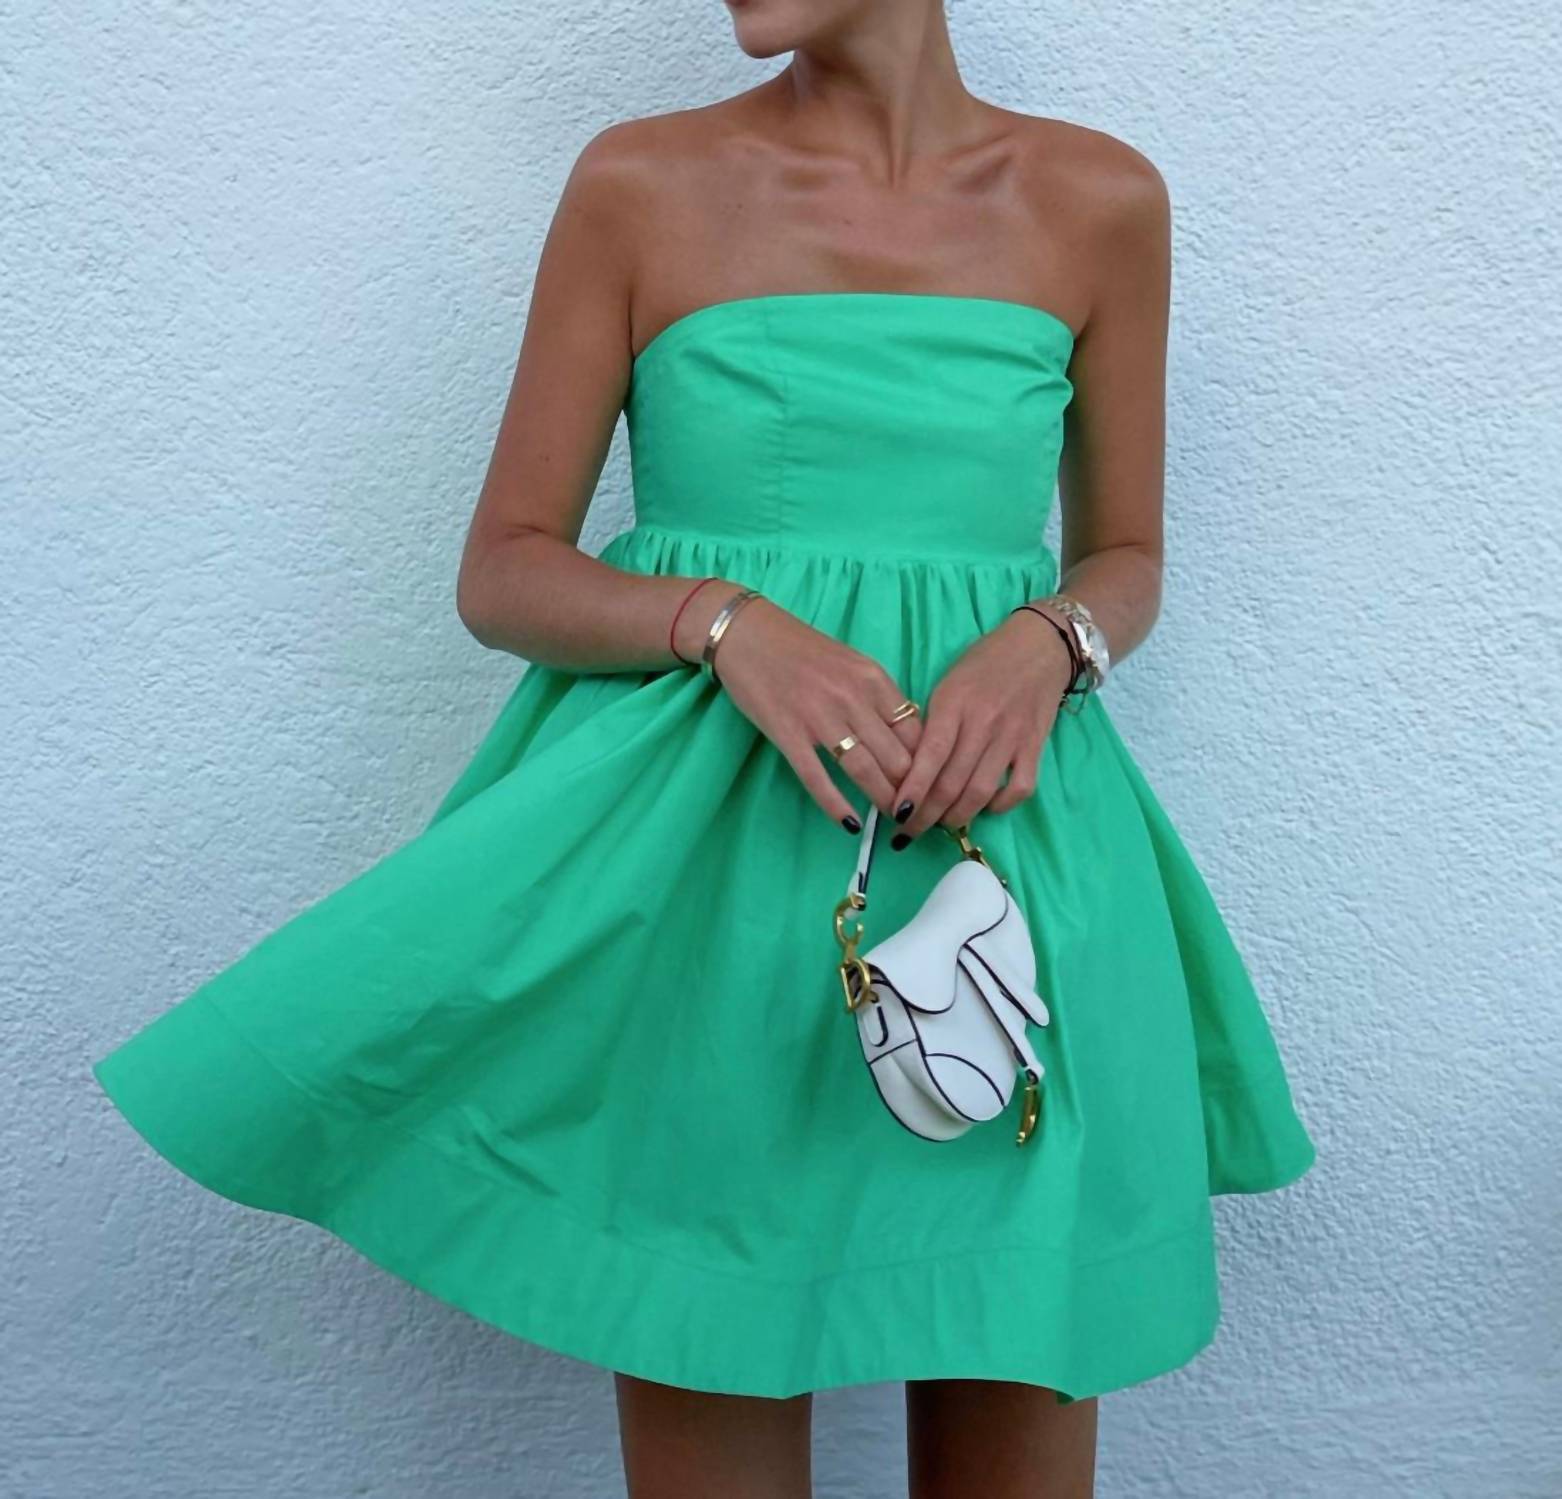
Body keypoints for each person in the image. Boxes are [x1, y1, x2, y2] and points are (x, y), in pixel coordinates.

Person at [91, 2, 1317, 1495]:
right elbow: (504, 571)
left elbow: (1128, 554)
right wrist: (724, 622)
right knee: (711, 1379)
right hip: (704, 902)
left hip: (1004, 878)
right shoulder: (640, 184)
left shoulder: (1099, 199)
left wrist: (1050, 637)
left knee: (1017, 1390)